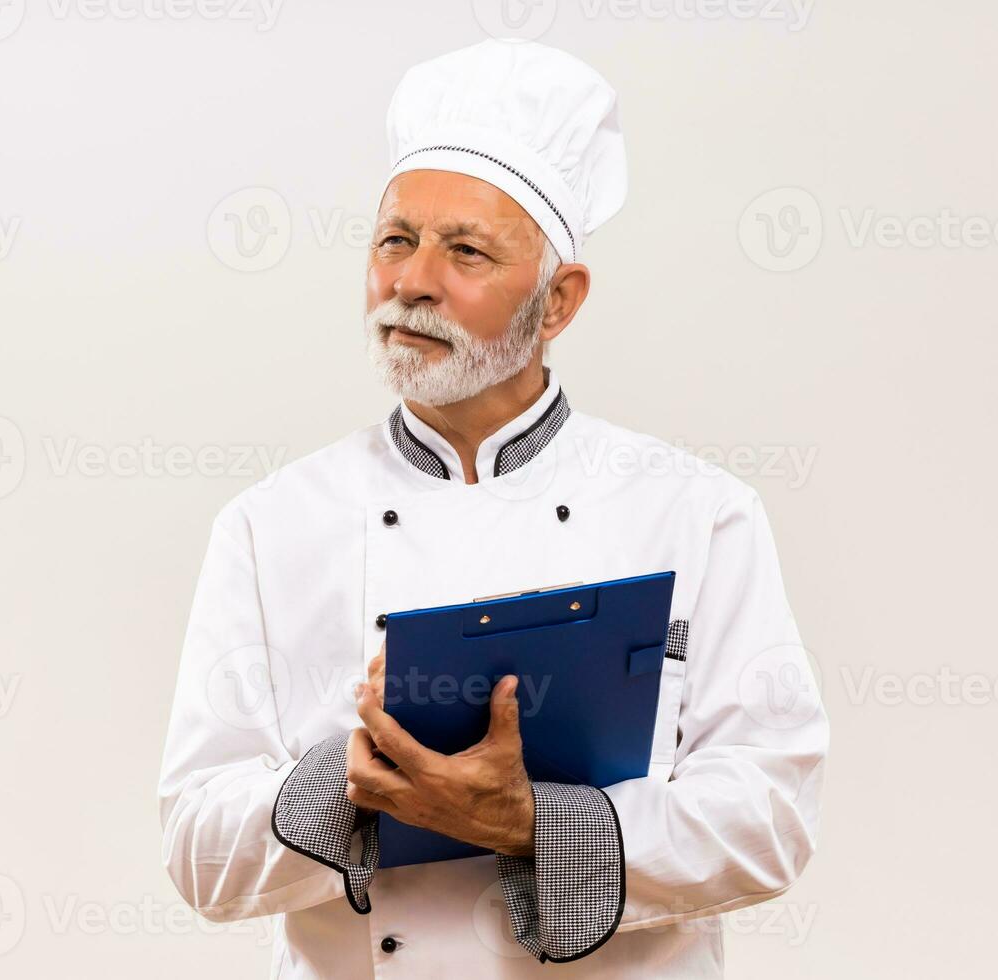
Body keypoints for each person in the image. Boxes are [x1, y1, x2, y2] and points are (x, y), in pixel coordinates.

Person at [158, 38, 828, 977]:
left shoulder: (697, 513)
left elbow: (771, 818)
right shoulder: (271, 525)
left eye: (465, 250)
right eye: (396, 239)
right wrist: (349, 788)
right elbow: (198, 850)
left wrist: (537, 823)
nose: (411, 282)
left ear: (558, 303)